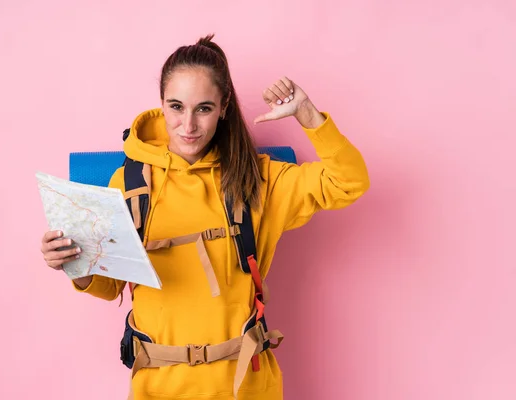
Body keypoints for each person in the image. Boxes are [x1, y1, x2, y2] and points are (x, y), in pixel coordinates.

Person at [40, 34, 369, 400]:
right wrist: (74, 265)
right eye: (176, 107)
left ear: (224, 107)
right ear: (161, 104)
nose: (188, 126)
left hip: (245, 386)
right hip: (158, 388)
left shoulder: (258, 179)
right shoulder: (130, 183)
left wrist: (307, 114)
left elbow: (349, 182)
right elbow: (110, 286)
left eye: (204, 108)